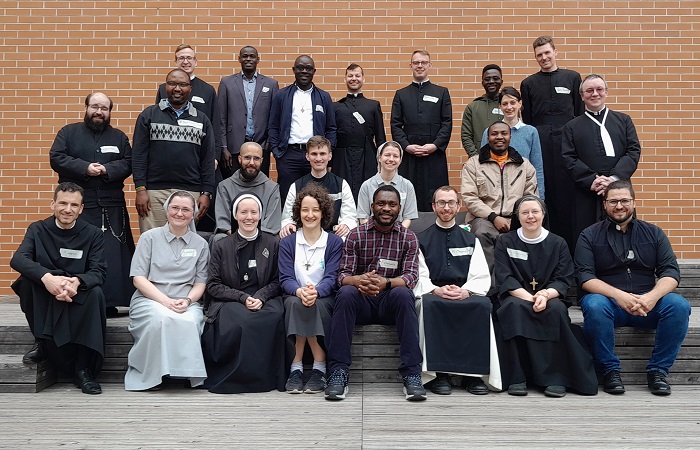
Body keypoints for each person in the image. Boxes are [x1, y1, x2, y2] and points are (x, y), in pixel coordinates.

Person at [575, 180, 690, 396]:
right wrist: (619, 296)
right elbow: (585, 277)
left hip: (647, 305)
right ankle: (610, 371)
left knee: (679, 305)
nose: (619, 206)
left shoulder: (654, 233)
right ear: (605, 204)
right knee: (594, 303)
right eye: (613, 201)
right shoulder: (589, 235)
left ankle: (658, 371)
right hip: (610, 304)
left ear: (634, 202)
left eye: (624, 200)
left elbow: (671, 272)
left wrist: (652, 297)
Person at [325, 185, 426, 402]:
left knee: (404, 294)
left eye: (392, 204)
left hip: (390, 302)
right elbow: (342, 275)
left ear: (399, 208)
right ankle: (338, 372)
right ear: (372, 207)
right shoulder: (355, 235)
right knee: (345, 293)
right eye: (381, 203)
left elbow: (411, 277)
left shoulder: (408, 238)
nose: (386, 208)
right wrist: (358, 280)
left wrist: (386, 283)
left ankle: (412, 374)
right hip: (361, 301)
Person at [494, 195, 598, 398]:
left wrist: (545, 294)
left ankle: (554, 377)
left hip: (549, 297)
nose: (530, 216)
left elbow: (563, 278)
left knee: (555, 310)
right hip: (517, 296)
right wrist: (530, 298)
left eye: (535, 211)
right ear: (517, 216)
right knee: (512, 308)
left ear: (543, 214)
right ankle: (517, 377)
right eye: (525, 212)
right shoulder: (505, 241)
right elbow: (504, 276)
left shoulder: (558, 243)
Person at [10, 182, 107, 395]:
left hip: (76, 292)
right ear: (53, 204)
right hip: (46, 290)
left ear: (81, 209)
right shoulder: (37, 229)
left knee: (96, 293)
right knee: (25, 282)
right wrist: (47, 278)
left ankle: (83, 369)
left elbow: (99, 271)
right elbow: (18, 259)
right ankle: (43, 343)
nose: (67, 209)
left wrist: (77, 282)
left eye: (74, 205)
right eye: (63, 203)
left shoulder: (93, 234)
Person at [49, 92, 135, 316]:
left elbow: (129, 163)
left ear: (110, 112)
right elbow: (56, 157)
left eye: (104, 108)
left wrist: (107, 169)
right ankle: (75, 297)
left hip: (111, 206)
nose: (99, 112)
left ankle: (108, 303)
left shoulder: (119, 137)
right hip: (79, 206)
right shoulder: (68, 133)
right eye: (95, 106)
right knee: (79, 252)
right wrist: (84, 168)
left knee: (112, 255)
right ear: (86, 108)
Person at [413, 186, 498, 396]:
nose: (446, 208)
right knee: (430, 305)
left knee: (481, 305)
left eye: (451, 203)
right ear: (434, 206)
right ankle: (439, 374)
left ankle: (472, 375)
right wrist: (435, 290)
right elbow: (419, 274)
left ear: (458, 206)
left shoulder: (471, 239)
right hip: (434, 293)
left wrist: (466, 291)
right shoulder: (420, 239)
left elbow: (480, 274)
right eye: (441, 203)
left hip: (464, 292)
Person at [202, 194, 286, 394]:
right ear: (235, 215)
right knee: (242, 320)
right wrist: (242, 298)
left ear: (260, 215)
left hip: (265, 297)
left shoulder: (273, 242)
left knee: (274, 316)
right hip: (230, 298)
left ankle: (266, 378)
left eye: (254, 212)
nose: (249, 217)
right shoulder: (221, 245)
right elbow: (213, 284)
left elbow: (278, 280)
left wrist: (261, 297)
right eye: (244, 212)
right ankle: (239, 378)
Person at [125, 191, 209, 391]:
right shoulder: (148, 238)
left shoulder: (201, 244)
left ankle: (186, 374)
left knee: (191, 320)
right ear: (166, 210)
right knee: (160, 318)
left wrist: (187, 301)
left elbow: (200, 283)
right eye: (175, 208)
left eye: (186, 209)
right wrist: (165, 301)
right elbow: (138, 278)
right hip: (149, 299)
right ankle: (151, 376)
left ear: (193, 214)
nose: (179, 213)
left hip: (186, 301)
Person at [132, 68, 216, 233]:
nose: (177, 89)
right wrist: (140, 189)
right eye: (172, 84)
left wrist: (206, 193)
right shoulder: (148, 116)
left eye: (182, 85)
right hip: (153, 193)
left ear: (190, 89)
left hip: (190, 193)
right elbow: (138, 156)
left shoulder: (202, 120)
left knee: (184, 243)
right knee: (152, 241)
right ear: (165, 87)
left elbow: (207, 159)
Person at [520, 35, 584, 250]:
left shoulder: (572, 78)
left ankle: (572, 249)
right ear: (535, 57)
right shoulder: (528, 84)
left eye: (547, 52)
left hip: (568, 143)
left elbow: (579, 114)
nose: (544, 57)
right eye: (539, 54)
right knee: (544, 192)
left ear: (555, 52)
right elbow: (528, 119)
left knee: (569, 194)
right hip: (542, 144)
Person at [279, 184, 344, 393]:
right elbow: (285, 277)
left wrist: (316, 292)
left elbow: (333, 277)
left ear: (323, 212)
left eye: (315, 210)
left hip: (324, 296)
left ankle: (314, 366)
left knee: (313, 305)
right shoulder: (288, 242)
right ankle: (302, 366)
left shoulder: (334, 242)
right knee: (296, 303)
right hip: (295, 294)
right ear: (298, 212)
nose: (310, 215)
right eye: (305, 210)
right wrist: (300, 291)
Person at [562, 74, 641, 242]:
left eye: (599, 89)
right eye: (589, 90)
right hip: (587, 191)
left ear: (606, 92)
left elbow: (633, 151)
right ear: (582, 96)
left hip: (619, 189)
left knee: (624, 235)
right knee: (587, 237)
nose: (595, 94)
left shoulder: (623, 120)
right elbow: (569, 158)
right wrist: (592, 180)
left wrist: (614, 179)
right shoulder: (571, 126)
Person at [461, 121, 538, 271]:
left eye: (504, 133)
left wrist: (515, 219)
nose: (499, 137)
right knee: (482, 233)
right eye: (494, 134)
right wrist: (493, 217)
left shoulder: (524, 165)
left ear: (510, 137)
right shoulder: (473, 164)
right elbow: (470, 197)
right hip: (484, 219)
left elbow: (530, 198)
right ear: (488, 138)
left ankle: (517, 281)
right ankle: (488, 282)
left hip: (516, 219)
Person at [268, 54, 337, 201]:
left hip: (315, 155)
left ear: (314, 71)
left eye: (308, 68)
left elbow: (331, 128)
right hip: (288, 155)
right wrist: (276, 151)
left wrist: (326, 153)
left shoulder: (324, 97)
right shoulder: (281, 95)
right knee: (287, 197)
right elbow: (273, 126)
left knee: (316, 196)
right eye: (300, 68)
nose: (304, 71)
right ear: (294, 70)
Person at [391, 50, 452, 212]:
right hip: (409, 156)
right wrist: (406, 146)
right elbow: (395, 124)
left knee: (435, 197)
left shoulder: (442, 92)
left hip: (434, 155)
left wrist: (435, 145)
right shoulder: (401, 94)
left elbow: (447, 123)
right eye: (416, 62)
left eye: (423, 62)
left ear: (429, 65)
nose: (420, 66)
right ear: (410, 66)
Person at [217, 46, 279, 178]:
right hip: (233, 147)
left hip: (261, 146)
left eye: (252, 56)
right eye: (245, 56)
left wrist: (268, 144)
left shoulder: (271, 84)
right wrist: (224, 147)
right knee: (232, 184)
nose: (248, 59)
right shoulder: (227, 83)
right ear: (239, 59)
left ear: (258, 59)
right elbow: (221, 117)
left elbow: (274, 117)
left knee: (259, 184)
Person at [279, 136, 357, 239]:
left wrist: (346, 224)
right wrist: (288, 225)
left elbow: (350, 217)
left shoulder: (341, 184)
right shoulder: (296, 186)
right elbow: (287, 218)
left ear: (330, 156)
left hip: (334, 238)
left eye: (322, 154)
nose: (318, 158)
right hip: (304, 237)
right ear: (307, 156)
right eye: (314, 154)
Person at [333, 63, 387, 200]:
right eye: (350, 76)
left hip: (367, 156)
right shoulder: (335, 106)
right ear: (345, 79)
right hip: (341, 158)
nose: (354, 78)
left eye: (357, 75)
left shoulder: (373, 105)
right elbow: (331, 136)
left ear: (363, 79)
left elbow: (380, 137)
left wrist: (382, 162)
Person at [480, 87, 545, 199]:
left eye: (513, 103)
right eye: (505, 104)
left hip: (523, 190)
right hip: (495, 192)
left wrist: (540, 197)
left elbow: (537, 168)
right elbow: (482, 165)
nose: (509, 107)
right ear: (500, 106)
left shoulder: (531, 132)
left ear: (520, 103)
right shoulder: (490, 132)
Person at [214, 142, 281, 240]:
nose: (252, 163)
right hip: (232, 238)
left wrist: (251, 237)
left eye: (256, 158)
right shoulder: (225, 186)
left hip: (261, 239)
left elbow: (271, 223)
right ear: (239, 159)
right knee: (219, 239)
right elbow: (223, 222)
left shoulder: (272, 188)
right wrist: (240, 237)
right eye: (247, 158)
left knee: (275, 240)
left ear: (262, 161)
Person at [356, 141, 419, 228]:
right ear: (379, 157)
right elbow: (363, 217)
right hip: (372, 234)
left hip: (399, 233)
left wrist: (398, 233)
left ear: (400, 160)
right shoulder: (367, 185)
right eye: (387, 155)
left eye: (395, 156)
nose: (391, 159)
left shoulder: (407, 185)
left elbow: (408, 217)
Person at [461, 64, 504, 157]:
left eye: (495, 78)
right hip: (480, 159)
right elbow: (466, 136)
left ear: (501, 81)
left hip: (506, 160)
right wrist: (476, 157)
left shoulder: (509, 106)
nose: (491, 81)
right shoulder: (473, 107)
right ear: (482, 82)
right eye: (487, 79)